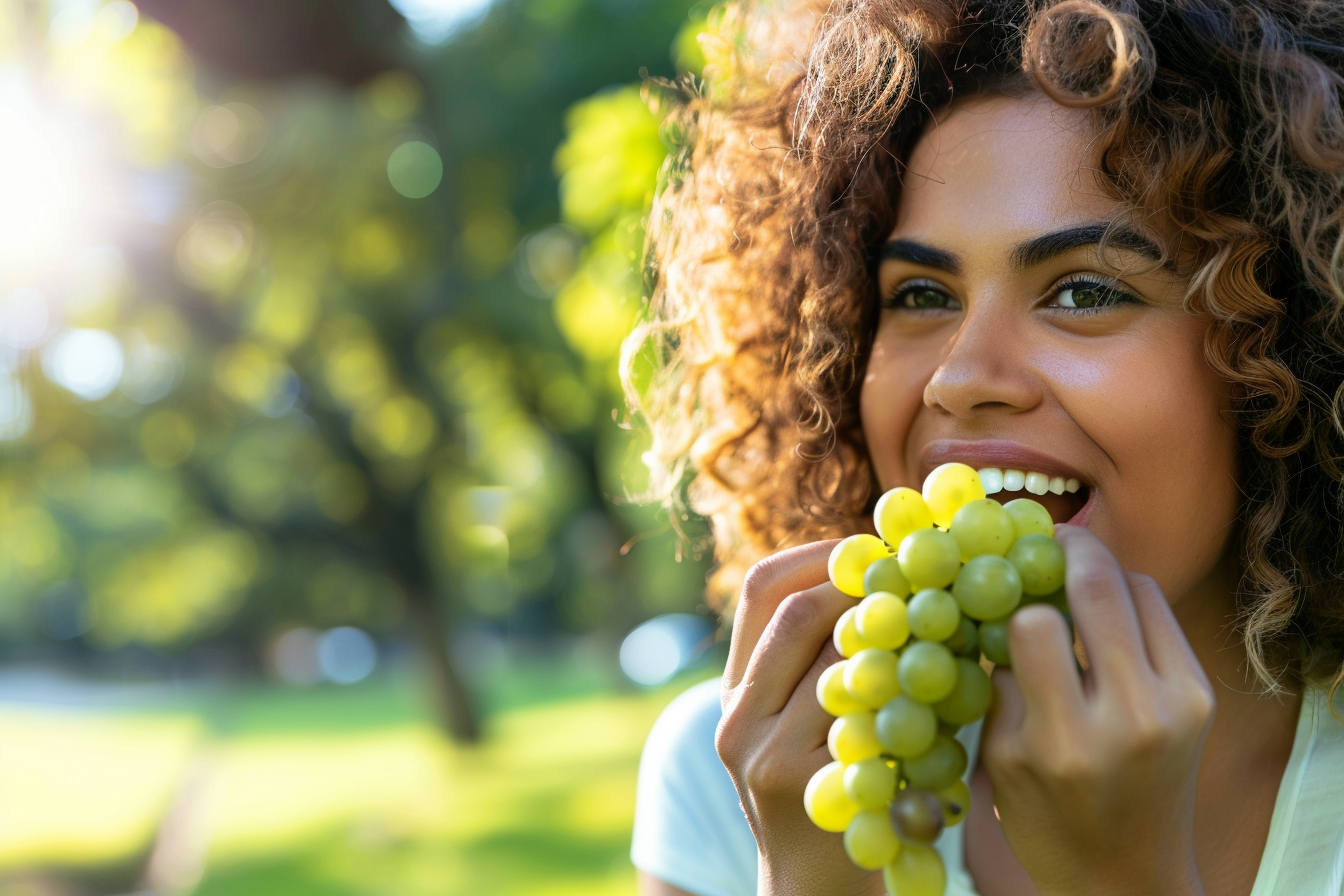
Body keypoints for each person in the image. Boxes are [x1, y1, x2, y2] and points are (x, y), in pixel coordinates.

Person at [625, 1, 1344, 894]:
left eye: (1082, 293)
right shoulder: (748, 776)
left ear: (1286, 347)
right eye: (922, 295)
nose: (960, 377)